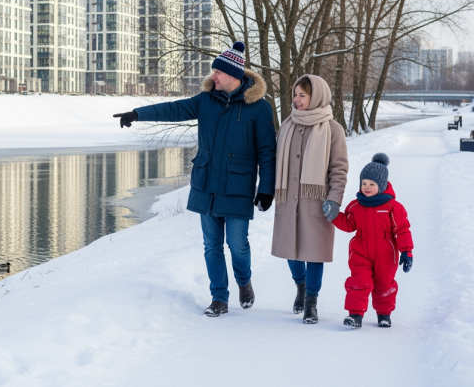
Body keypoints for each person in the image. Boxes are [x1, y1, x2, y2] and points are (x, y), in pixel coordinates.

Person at [113, 41, 276, 317]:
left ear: (234, 76)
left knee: (237, 245)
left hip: (237, 187)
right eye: (214, 71)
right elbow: (174, 109)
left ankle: (244, 280)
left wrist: (267, 188)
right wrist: (138, 114)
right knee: (211, 245)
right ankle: (219, 298)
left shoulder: (259, 108)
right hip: (206, 184)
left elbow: (267, 151)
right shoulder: (206, 100)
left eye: (218, 72)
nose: (213, 76)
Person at [270, 75, 348, 324]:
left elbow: (339, 168)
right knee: (291, 251)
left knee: (315, 253)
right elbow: (275, 162)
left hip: (316, 202)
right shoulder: (287, 124)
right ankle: (301, 287)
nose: (297, 99)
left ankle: (311, 302)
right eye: (295, 94)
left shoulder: (333, 129)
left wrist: (334, 199)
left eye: (302, 95)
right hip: (288, 200)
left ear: (317, 97)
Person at [332, 153, 413, 328]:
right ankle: (355, 315)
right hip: (360, 250)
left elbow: (402, 230)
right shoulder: (355, 205)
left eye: (372, 184)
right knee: (358, 281)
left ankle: (384, 314)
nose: (367, 187)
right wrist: (334, 216)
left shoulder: (393, 207)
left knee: (384, 284)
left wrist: (406, 251)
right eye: (364, 183)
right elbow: (348, 224)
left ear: (382, 186)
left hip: (386, 253)